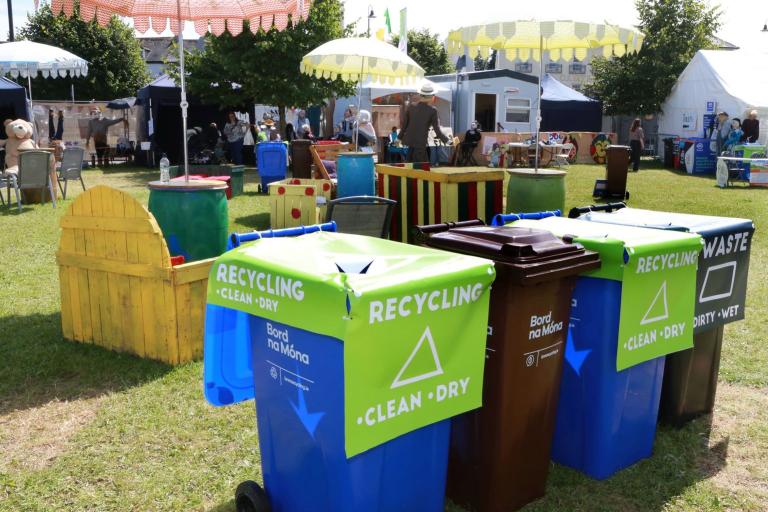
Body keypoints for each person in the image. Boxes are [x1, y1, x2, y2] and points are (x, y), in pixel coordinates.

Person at [400, 83, 449, 163]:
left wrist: (399, 138)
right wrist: (447, 141)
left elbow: (404, 126)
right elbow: (437, 130)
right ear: (431, 96)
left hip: (410, 145)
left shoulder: (412, 106)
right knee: (421, 170)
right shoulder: (432, 110)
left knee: (409, 170)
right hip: (420, 145)